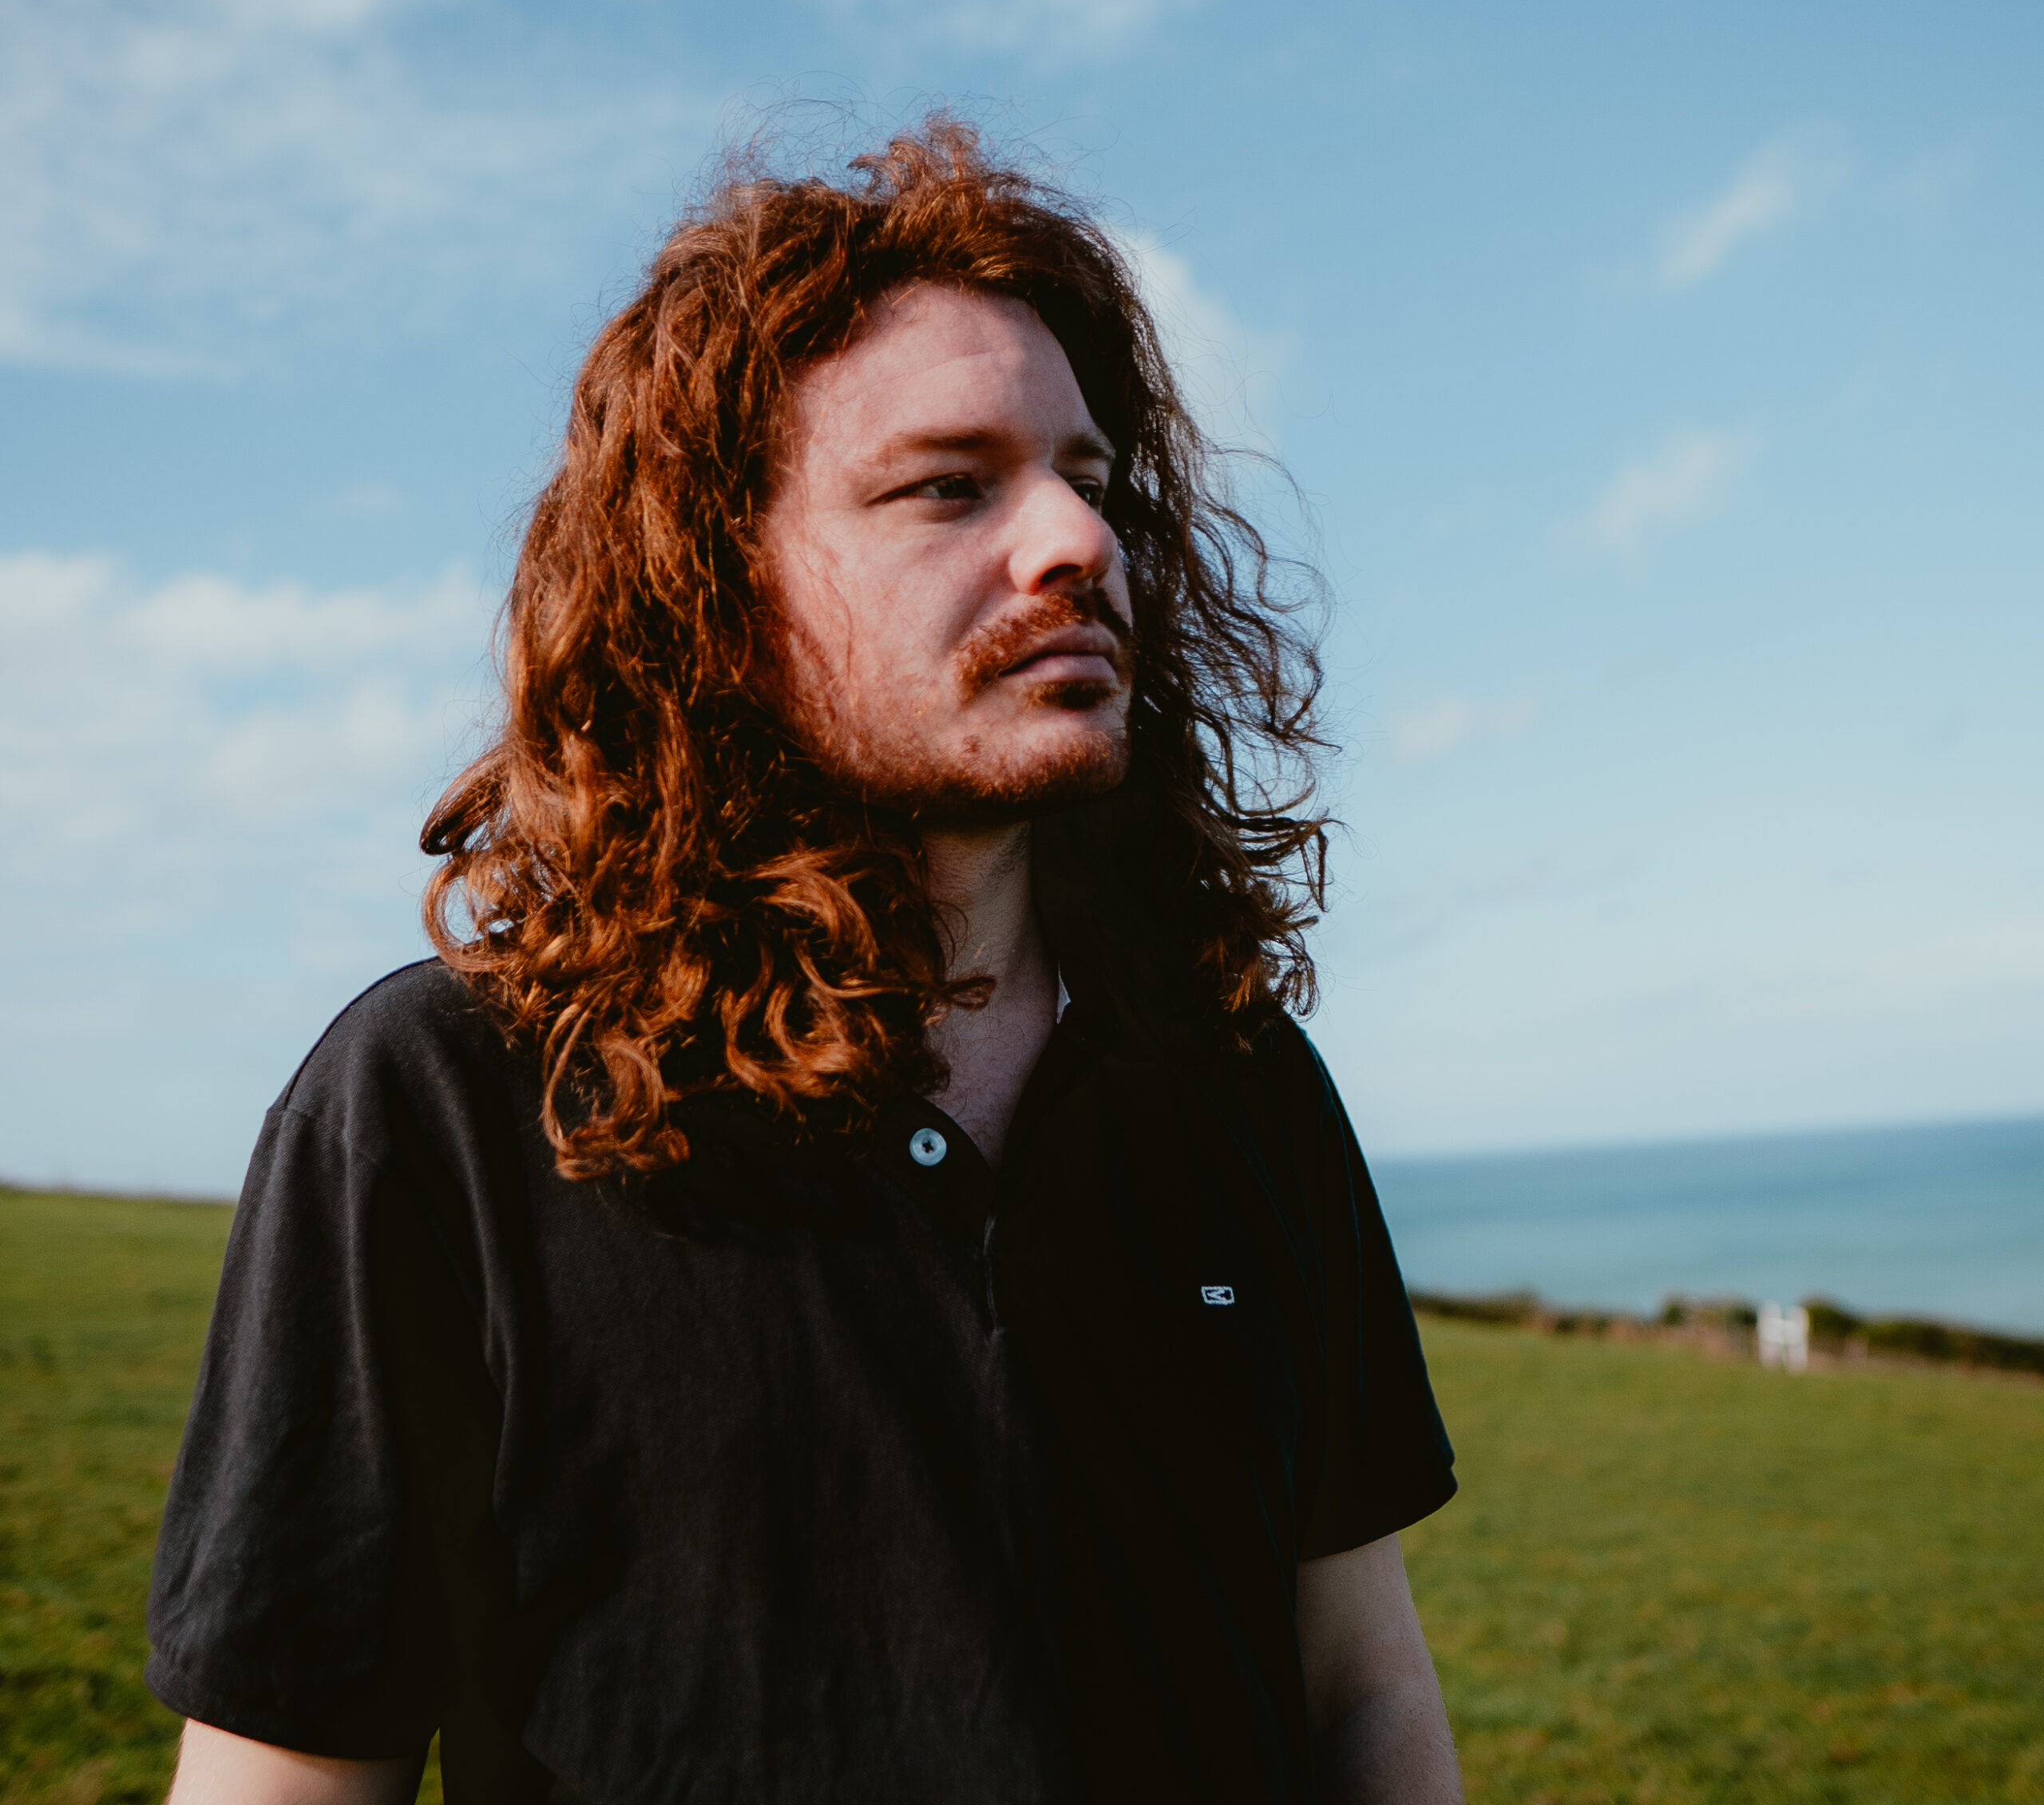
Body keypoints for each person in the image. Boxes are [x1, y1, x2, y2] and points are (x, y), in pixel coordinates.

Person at [149, 120, 1463, 1804]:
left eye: (1089, 478)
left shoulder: (1232, 1071)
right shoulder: (448, 1106)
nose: (1076, 541)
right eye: (948, 485)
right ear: (716, 587)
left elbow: (1361, 1689)